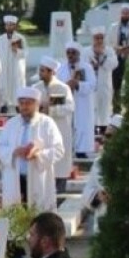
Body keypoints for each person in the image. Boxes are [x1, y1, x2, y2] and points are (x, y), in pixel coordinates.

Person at [0, 87, 64, 212]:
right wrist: (14, 152)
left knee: (38, 215)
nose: (24, 107)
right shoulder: (11, 124)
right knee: (15, 218)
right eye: (21, 103)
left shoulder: (47, 123)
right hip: (15, 179)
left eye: (28, 103)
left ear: (37, 105)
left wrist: (38, 155)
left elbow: (59, 150)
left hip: (38, 178)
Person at [33, 58, 74, 187]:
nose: (40, 73)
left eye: (43, 71)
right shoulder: (35, 88)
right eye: (40, 70)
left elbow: (70, 107)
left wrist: (50, 109)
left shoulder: (63, 88)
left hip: (60, 129)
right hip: (41, 131)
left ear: (51, 72)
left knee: (59, 166)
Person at [79, 114, 121, 231]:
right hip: (103, 224)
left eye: (109, 136)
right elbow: (87, 194)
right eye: (105, 136)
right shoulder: (99, 163)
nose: (104, 140)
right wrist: (98, 197)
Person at [108, 4, 129, 111]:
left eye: (127, 13)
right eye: (123, 13)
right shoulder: (113, 27)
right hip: (116, 59)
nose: (124, 15)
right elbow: (109, 44)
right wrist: (117, 49)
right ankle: (116, 108)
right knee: (116, 85)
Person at [0, 15, 27, 114]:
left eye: (12, 25)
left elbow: (25, 54)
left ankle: (18, 108)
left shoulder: (20, 38)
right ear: (5, 26)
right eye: (7, 25)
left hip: (16, 69)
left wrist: (16, 50)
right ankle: (4, 108)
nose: (9, 27)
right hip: (4, 69)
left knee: (16, 91)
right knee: (3, 92)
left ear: (15, 26)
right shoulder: (0, 39)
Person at [85, 27, 114, 135]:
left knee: (104, 108)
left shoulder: (109, 50)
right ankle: (92, 131)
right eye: (97, 38)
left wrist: (102, 56)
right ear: (93, 39)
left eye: (101, 38)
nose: (99, 40)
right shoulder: (86, 51)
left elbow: (114, 64)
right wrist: (92, 65)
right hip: (91, 86)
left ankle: (103, 132)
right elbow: (83, 65)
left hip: (104, 85)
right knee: (92, 108)